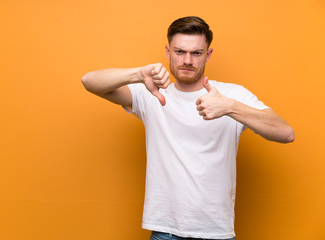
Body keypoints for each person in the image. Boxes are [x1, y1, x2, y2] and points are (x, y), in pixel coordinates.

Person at [81, 16, 294, 240]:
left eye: (196, 53)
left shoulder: (231, 95)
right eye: (180, 51)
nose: (188, 60)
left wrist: (230, 107)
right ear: (168, 51)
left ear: (208, 54)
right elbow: (90, 81)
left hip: (216, 232)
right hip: (165, 230)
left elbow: (285, 133)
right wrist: (137, 75)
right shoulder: (152, 93)